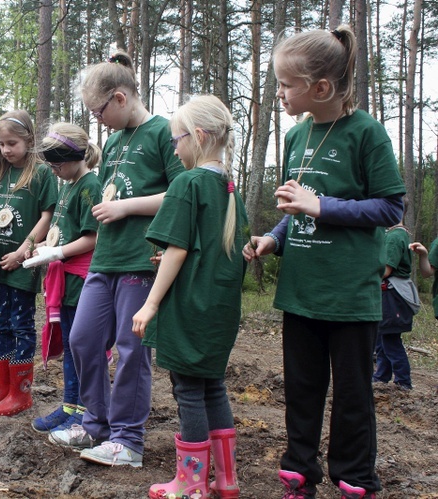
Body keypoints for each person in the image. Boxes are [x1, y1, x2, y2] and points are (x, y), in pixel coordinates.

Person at [242, 25, 405, 498]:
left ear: (321, 88)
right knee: (302, 388)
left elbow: (392, 208)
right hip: (302, 289)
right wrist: (274, 237)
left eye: (285, 85)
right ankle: (299, 469)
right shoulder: (296, 137)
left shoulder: (366, 133)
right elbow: (296, 210)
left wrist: (323, 207)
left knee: (353, 394)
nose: (279, 94)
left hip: (350, 292)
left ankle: (355, 477)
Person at [47, 51, 184, 468]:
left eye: (99, 111)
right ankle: (96, 422)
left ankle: (128, 439)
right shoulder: (114, 142)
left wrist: (127, 208)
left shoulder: (165, 132)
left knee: (130, 348)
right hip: (105, 258)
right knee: (83, 339)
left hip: (141, 261)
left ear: (121, 98)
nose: (98, 120)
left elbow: (184, 192)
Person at [131, 95, 246, 498]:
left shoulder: (188, 182)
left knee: (188, 391)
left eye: (176, 140)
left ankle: (191, 483)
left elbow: (178, 249)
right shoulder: (229, 187)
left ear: (197, 137)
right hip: (218, 309)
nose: (173, 147)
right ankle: (226, 480)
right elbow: (211, 248)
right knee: (212, 386)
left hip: (189, 308)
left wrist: (150, 303)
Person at [0, 110, 57, 417]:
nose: (6, 149)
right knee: (1, 323)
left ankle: (21, 392)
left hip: (22, 263)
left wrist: (23, 251)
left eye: (12, 143)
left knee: (21, 324)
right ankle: (3, 387)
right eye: (1, 144)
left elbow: (47, 217)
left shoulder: (41, 175)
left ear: (29, 140)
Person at [22, 123, 102, 434]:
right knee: (69, 344)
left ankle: (85, 410)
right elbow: (63, 232)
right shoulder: (66, 184)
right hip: (63, 278)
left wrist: (56, 254)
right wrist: (43, 247)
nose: (55, 171)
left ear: (74, 157)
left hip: (82, 279)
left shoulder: (90, 186)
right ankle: (70, 405)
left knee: (82, 346)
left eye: (57, 164)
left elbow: (93, 237)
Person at [373, 216, 419, 391]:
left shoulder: (395, 237)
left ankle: (403, 381)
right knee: (383, 337)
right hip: (389, 295)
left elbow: (386, 270)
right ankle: (381, 376)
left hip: (393, 296)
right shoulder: (395, 234)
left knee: (390, 339)